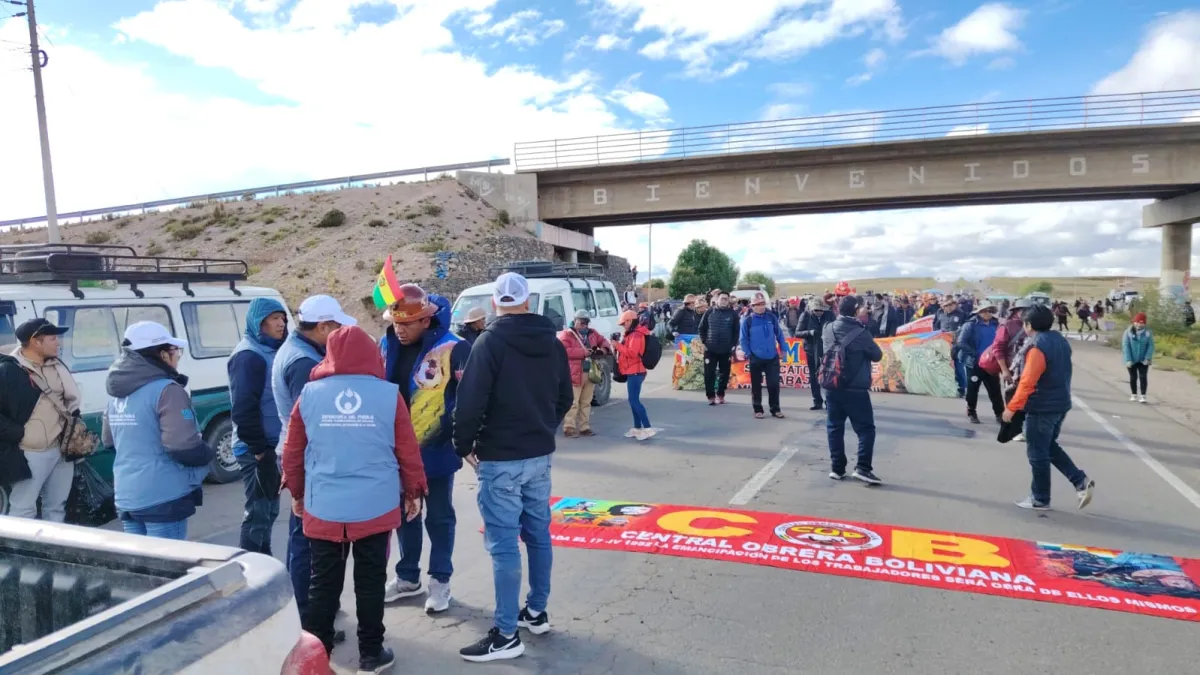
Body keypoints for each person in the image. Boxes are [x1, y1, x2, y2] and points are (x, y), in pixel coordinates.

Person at [281, 325, 427, 672]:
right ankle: (371, 654)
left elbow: (293, 452)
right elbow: (407, 451)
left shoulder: (309, 395)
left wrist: (297, 493)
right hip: (375, 506)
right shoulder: (389, 395)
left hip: (324, 506)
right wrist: (413, 492)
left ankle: (317, 658)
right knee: (371, 581)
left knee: (323, 583)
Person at [453, 271, 573, 662]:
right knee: (538, 534)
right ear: (527, 300)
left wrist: (462, 445)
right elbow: (564, 397)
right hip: (538, 454)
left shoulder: (490, 342)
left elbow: (470, 402)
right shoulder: (551, 342)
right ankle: (536, 611)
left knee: (504, 545)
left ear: (495, 303)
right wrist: (543, 428)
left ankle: (506, 634)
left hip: (501, 456)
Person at [379, 284, 470, 614]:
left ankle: (440, 580)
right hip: (396, 452)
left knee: (440, 517)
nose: (399, 329)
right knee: (405, 516)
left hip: (437, 450)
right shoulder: (386, 344)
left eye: (407, 323)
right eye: (396, 323)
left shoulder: (454, 348)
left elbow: (469, 398)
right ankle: (407, 577)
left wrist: (461, 438)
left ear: (426, 320)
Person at [272, 295, 357, 640]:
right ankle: (309, 622)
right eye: (336, 327)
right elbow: (309, 421)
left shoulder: (297, 350)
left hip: (302, 456)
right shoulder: (303, 363)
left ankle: (307, 611)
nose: (339, 335)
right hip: (308, 459)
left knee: (303, 539)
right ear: (322, 327)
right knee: (311, 542)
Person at [104, 322, 213, 539]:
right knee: (169, 558)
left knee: (140, 559)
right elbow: (183, 446)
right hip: (163, 495)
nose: (178, 356)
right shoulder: (167, 390)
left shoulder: (118, 392)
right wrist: (207, 454)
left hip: (127, 494)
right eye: (175, 351)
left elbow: (108, 441)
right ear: (162, 355)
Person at [1002, 305, 1095, 511]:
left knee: (1037, 454)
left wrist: (1012, 407)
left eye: (1024, 323)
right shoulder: (1059, 340)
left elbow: (1028, 381)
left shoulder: (1037, 347)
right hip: (1060, 403)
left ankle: (1040, 498)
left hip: (1042, 406)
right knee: (1048, 446)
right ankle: (1080, 481)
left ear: (1029, 325)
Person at [2, 318, 80, 521]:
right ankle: (20, 544)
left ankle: (53, 543)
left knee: (57, 507)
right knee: (23, 509)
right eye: (53, 338)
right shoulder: (8, 371)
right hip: (30, 451)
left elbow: (69, 403)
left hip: (62, 449)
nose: (58, 343)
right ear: (35, 342)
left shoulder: (57, 366)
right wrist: (21, 434)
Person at [229, 297, 288, 555]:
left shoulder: (270, 350)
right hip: (256, 450)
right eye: (274, 318)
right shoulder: (248, 356)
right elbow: (243, 408)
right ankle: (252, 568)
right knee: (258, 513)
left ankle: (265, 560)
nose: (281, 323)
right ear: (258, 322)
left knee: (269, 510)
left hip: (269, 446)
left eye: (283, 318)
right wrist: (260, 450)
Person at [822, 296, 884, 485]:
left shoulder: (828, 328)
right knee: (866, 429)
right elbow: (877, 355)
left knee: (834, 427)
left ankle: (837, 468)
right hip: (855, 388)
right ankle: (863, 468)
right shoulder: (861, 332)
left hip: (832, 384)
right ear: (856, 310)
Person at [559, 310, 612, 437]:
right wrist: (583, 353)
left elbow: (604, 341)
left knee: (586, 402)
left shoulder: (592, 333)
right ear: (575, 321)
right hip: (574, 373)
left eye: (586, 322)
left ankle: (584, 427)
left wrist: (603, 350)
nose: (584, 325)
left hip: (590, 372)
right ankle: (569, 428)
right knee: (573, 403)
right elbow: (563, 351)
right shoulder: (567, 334)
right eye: (581, 322)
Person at [741, 292, 788, 419]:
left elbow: (779, 335)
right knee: (756, 386)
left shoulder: (771, 318)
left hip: (772, 357)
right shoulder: (748, 321)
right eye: (758, 305)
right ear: (752, 306)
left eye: (762, 304)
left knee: (774, 385)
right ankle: (758, 409)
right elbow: (743, 339)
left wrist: (783, 349)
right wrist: (748, 353)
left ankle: (775, 409)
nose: (761, 307)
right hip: (755, 357)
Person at [957, 303, 1004, 424]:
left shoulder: (996, 325)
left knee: (995, 390)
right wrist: (976, 354)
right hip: (975, 363)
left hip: (991, 364)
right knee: (973, 389)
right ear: (979, 312)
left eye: (990, 310)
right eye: (984, 311)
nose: (987, 313)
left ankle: (999, 414)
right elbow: (961, 342)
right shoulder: (970, 325)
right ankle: (971, 412)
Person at [613, 310, 654, 440]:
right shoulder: (635, 333)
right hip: (634, 371)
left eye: (623, 324)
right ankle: (637, 428)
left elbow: (632, 353)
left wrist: (617, 345)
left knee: (634, 401)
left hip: (636, 371)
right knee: (633, 401)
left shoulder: (636, 335)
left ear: (629, 321)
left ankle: (647, 428)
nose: (623, 326)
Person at [697, 292, 739, 405]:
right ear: (717, 300)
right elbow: (701, 328)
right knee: (709, 374)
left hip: (726, 350)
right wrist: (704, 342)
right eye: (722, 298)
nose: (724, 301)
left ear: (728, 301)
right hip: (710, 349)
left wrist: (733, 345)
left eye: (726, 299)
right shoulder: (709, 312)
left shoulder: (733, 314)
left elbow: (736, 332)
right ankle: (710, 396)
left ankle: (721, 395)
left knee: (724, 374)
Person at [795, 299, 834, 410]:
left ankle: (829, 401)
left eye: (821, 310)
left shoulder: (830, 315)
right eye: (816, 310)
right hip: (811, 350)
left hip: (827, 349)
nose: (819, 312)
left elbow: (836, 328)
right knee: (814, 376)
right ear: (811, 309)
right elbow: (797, 333)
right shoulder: (805, 316)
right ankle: (817, 401)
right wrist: (809, 332)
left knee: (828, 376)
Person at [935, 297, 967, 397]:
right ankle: (945, 386)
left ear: (954, 305)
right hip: (943, 344)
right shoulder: (940, 313)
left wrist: (956, 335)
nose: (948, 307)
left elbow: (965, 328)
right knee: (942, 364)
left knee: (958, 365)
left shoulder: (961, 314)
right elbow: (935, 326)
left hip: (956, 344)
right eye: (945, 305)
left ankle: (962, 387)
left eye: (950, 305)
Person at [1122, 312, 1154, 404]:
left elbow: (1150, 346)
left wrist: (1147, 357)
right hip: (1132, 359)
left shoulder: (1148, 333)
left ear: (1144, 323)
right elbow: (1126, 346)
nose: (1139, 325)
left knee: (1143, 377)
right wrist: (1128, 360)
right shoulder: (1128, 332)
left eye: (1141, 323)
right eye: (1137, 322)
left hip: (1143, 359)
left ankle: (1143, 396)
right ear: (1134, 322)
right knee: (1133, 377)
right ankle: (1134, 394)